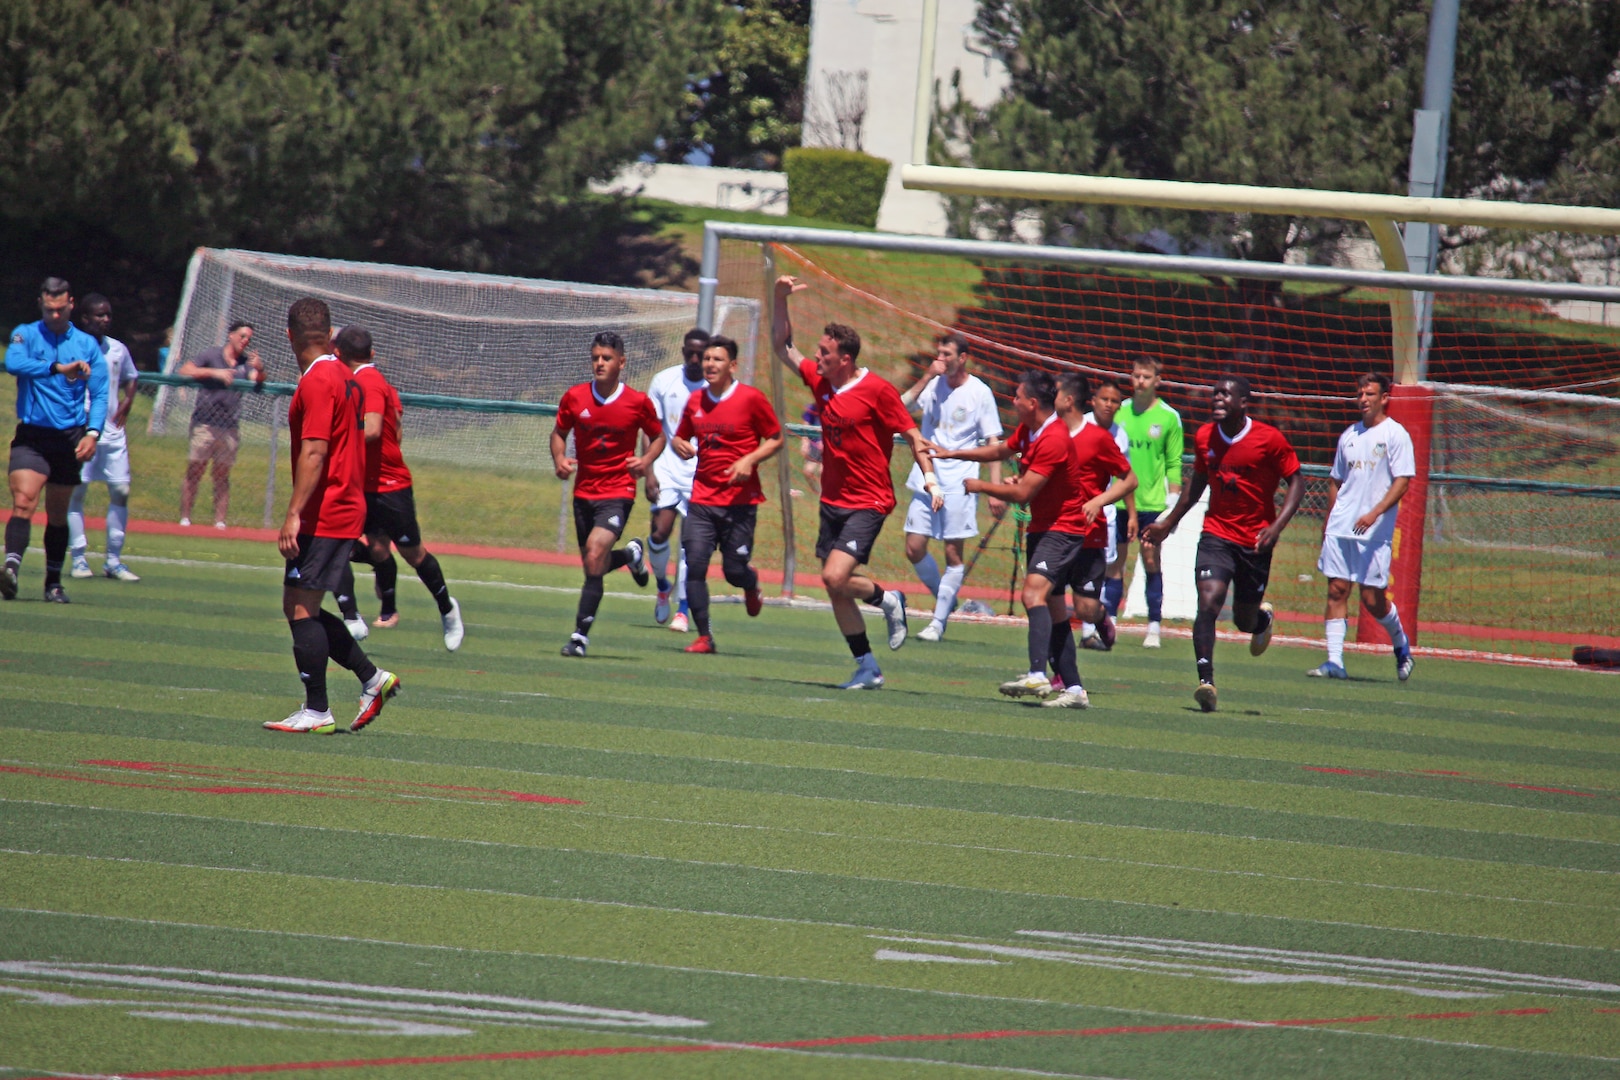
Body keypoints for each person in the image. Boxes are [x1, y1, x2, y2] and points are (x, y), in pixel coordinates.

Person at [771, 275, 937, 690]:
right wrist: (779, 298)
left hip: (869, 501)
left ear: (844, 358)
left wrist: (932, 480)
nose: (816, 356)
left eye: (824, 352)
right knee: (836, 588)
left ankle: (888, 598)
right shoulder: (821, 381)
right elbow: (782, 346)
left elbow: (913, 436)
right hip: (833, 501)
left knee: (834, 577)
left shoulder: (877, 391)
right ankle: (867, 666)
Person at [934, 370, 1134, 709]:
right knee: (1055, 609)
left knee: (1036, 595)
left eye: (1017, 396)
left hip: (1068, 528)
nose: (1012, 401)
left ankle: (1038, 673)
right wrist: (952, 454)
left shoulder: (1060, 438)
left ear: (1034, 402)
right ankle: (1074, 689)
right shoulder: (1033, 431)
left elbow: (1024, 492)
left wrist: (981, 486)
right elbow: (1002, 453)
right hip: (1044, 527)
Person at [266, 298, 399, 734]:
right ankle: (371, 679)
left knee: (302, 609)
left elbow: (316, 449)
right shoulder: (344, 375)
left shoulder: (320, 380)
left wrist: (292, 514)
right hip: (341, 505)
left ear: (289, 336)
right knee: (299, 604)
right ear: (331, 334)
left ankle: (318, 709)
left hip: (326, 511)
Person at [1143, 375, 1305, 713]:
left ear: (1243, 401)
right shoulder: (1204, 436)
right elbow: (1198, 481)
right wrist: (1167, 524)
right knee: (1209, 600)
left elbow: (1297, 482)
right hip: (1216, 534)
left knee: (1243, 621)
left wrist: (1276, 527)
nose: (1217, 398)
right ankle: (1206, 682)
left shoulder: (1269, 439)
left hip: (1256, 542)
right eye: (1214, 392)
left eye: (1225, 394)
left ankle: (1261, 621)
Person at [330, 326, 464, 651]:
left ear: (337, 355)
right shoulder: (373, 383)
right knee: (340, 545)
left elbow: (374, 430)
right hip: (361, 486)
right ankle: (353, 616)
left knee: (413, 555)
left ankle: (448, 610)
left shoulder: (369, 381)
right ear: (372, 353)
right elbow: (398, 428)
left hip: (390, 487)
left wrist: (334, 443)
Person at [550, 331, 663, 657]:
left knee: (596, 551)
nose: (600, 363)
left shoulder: (637, 402)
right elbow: (558, 433)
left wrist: (645, 461)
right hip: (584, 491)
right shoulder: (575, 397)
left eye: (607, 358)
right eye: (596, 357)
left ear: (621, 362)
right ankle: (630, 556)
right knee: (592, 564)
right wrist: (559, 458)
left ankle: (579, 638)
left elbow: (658, 437)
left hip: (618, 490)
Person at [670, 334, 784, 653]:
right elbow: (681, 440)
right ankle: (705, 636)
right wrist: (679, 446)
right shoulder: (695, 402)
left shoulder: (751, 399)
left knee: (734, 572)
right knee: (694, 565)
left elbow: (776, 438)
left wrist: (749, 459)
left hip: (740, 504)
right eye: (707, 359)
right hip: (703, 501)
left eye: (717, 359)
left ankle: (750, 583)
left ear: (732, 365)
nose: (709, 364)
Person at [4, 277, 109, 603]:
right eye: (49, 309)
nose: (54, 315)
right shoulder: (26, 333)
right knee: (24, 500)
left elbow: (101, 391)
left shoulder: (86, 344)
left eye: (60, 309)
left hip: (68, 438)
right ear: (41, 304)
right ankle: (11, 568)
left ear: (71, 305)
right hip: (33, 435)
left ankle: (52, 582)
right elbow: (13, 363)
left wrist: (93, 433)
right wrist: (56, 367)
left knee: (58, 513)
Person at [899, 332, 1005, 642]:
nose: (941, 358)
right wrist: (927, 375)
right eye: (939, 353)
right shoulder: (932, 383)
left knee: (952, 553)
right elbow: (901, 408)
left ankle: (938, 620)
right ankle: (947, 600)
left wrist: (993, 488)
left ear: (962, 358)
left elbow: (993, 442)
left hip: (960, 480)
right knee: (914, 547)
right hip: (926, 474)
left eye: (948, 354)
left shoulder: (979, 393)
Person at [1310, 372, 1415, 681]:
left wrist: (1375, 512)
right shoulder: (1349, 435)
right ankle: (1334, 662)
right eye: (1360, 394)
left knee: (1372, 600)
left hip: (1374, 532)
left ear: (1384, 398)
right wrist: (1330, 521)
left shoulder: (1395, 434)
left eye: (1370, 394)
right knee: (1337, 589)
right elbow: (1336, 481)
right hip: (1342, 528)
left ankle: (1400, 644)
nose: (1363, 399)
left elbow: (1403, 481)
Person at [67, 294, 141, 582]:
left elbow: (131, 376)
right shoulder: (71, 349)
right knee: (78, 492)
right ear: (84, 319)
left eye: (108, 314)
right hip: (82, 433)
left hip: (112, 435)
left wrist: (128, 401)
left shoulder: (117, 349)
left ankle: (113, 560)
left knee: (120, 492)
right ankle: (79, 556)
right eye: (99, 315)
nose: (105, 319)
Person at [1115, 356, 1184, 648]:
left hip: (1153, 503)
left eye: (1146, 376)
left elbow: (1174, 462)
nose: (1140, 381)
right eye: (1136, 375)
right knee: (1115, 562)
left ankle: (1154, 626)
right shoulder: (1119, 411)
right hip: (1118, 501)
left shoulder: (1169, 417)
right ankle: (1108, 621)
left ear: (1158, 381)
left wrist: (1172, 505)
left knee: (1151, 559)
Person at [645, 328, 709, 633]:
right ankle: (662, 585)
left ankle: (682, 611)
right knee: (659, 534)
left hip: (702, 477)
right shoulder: (663, 380)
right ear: (683, 351)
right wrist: (647, 471)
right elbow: (651, 431)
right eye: (690, 353)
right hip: (667, 471)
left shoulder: (716, 388)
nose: (695, 359)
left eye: (701, 353)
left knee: (691, 547)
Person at [1054, 373, 1124, 651]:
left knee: (1085, 608)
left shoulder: (1099, 437)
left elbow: (1128, 479)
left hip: (1090, 529)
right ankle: (1046, 671)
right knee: (1042, 596)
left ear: (1069, 399)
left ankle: (1101, 618)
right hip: (1055, 529)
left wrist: (1099, 502)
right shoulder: (1048, 431)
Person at [178, 319, 264, 528]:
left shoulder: (245, 363)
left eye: (248, 339)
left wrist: (260, 370)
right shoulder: (211, 355)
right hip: (205, 423)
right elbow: (185, 370)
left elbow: (257, 379)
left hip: (229, 426)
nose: (245, 341)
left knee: (222, 475)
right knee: (195, 470)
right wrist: (214, 373)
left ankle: (219, 522)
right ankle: (185, 519)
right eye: (242, 336)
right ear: (231, 335)